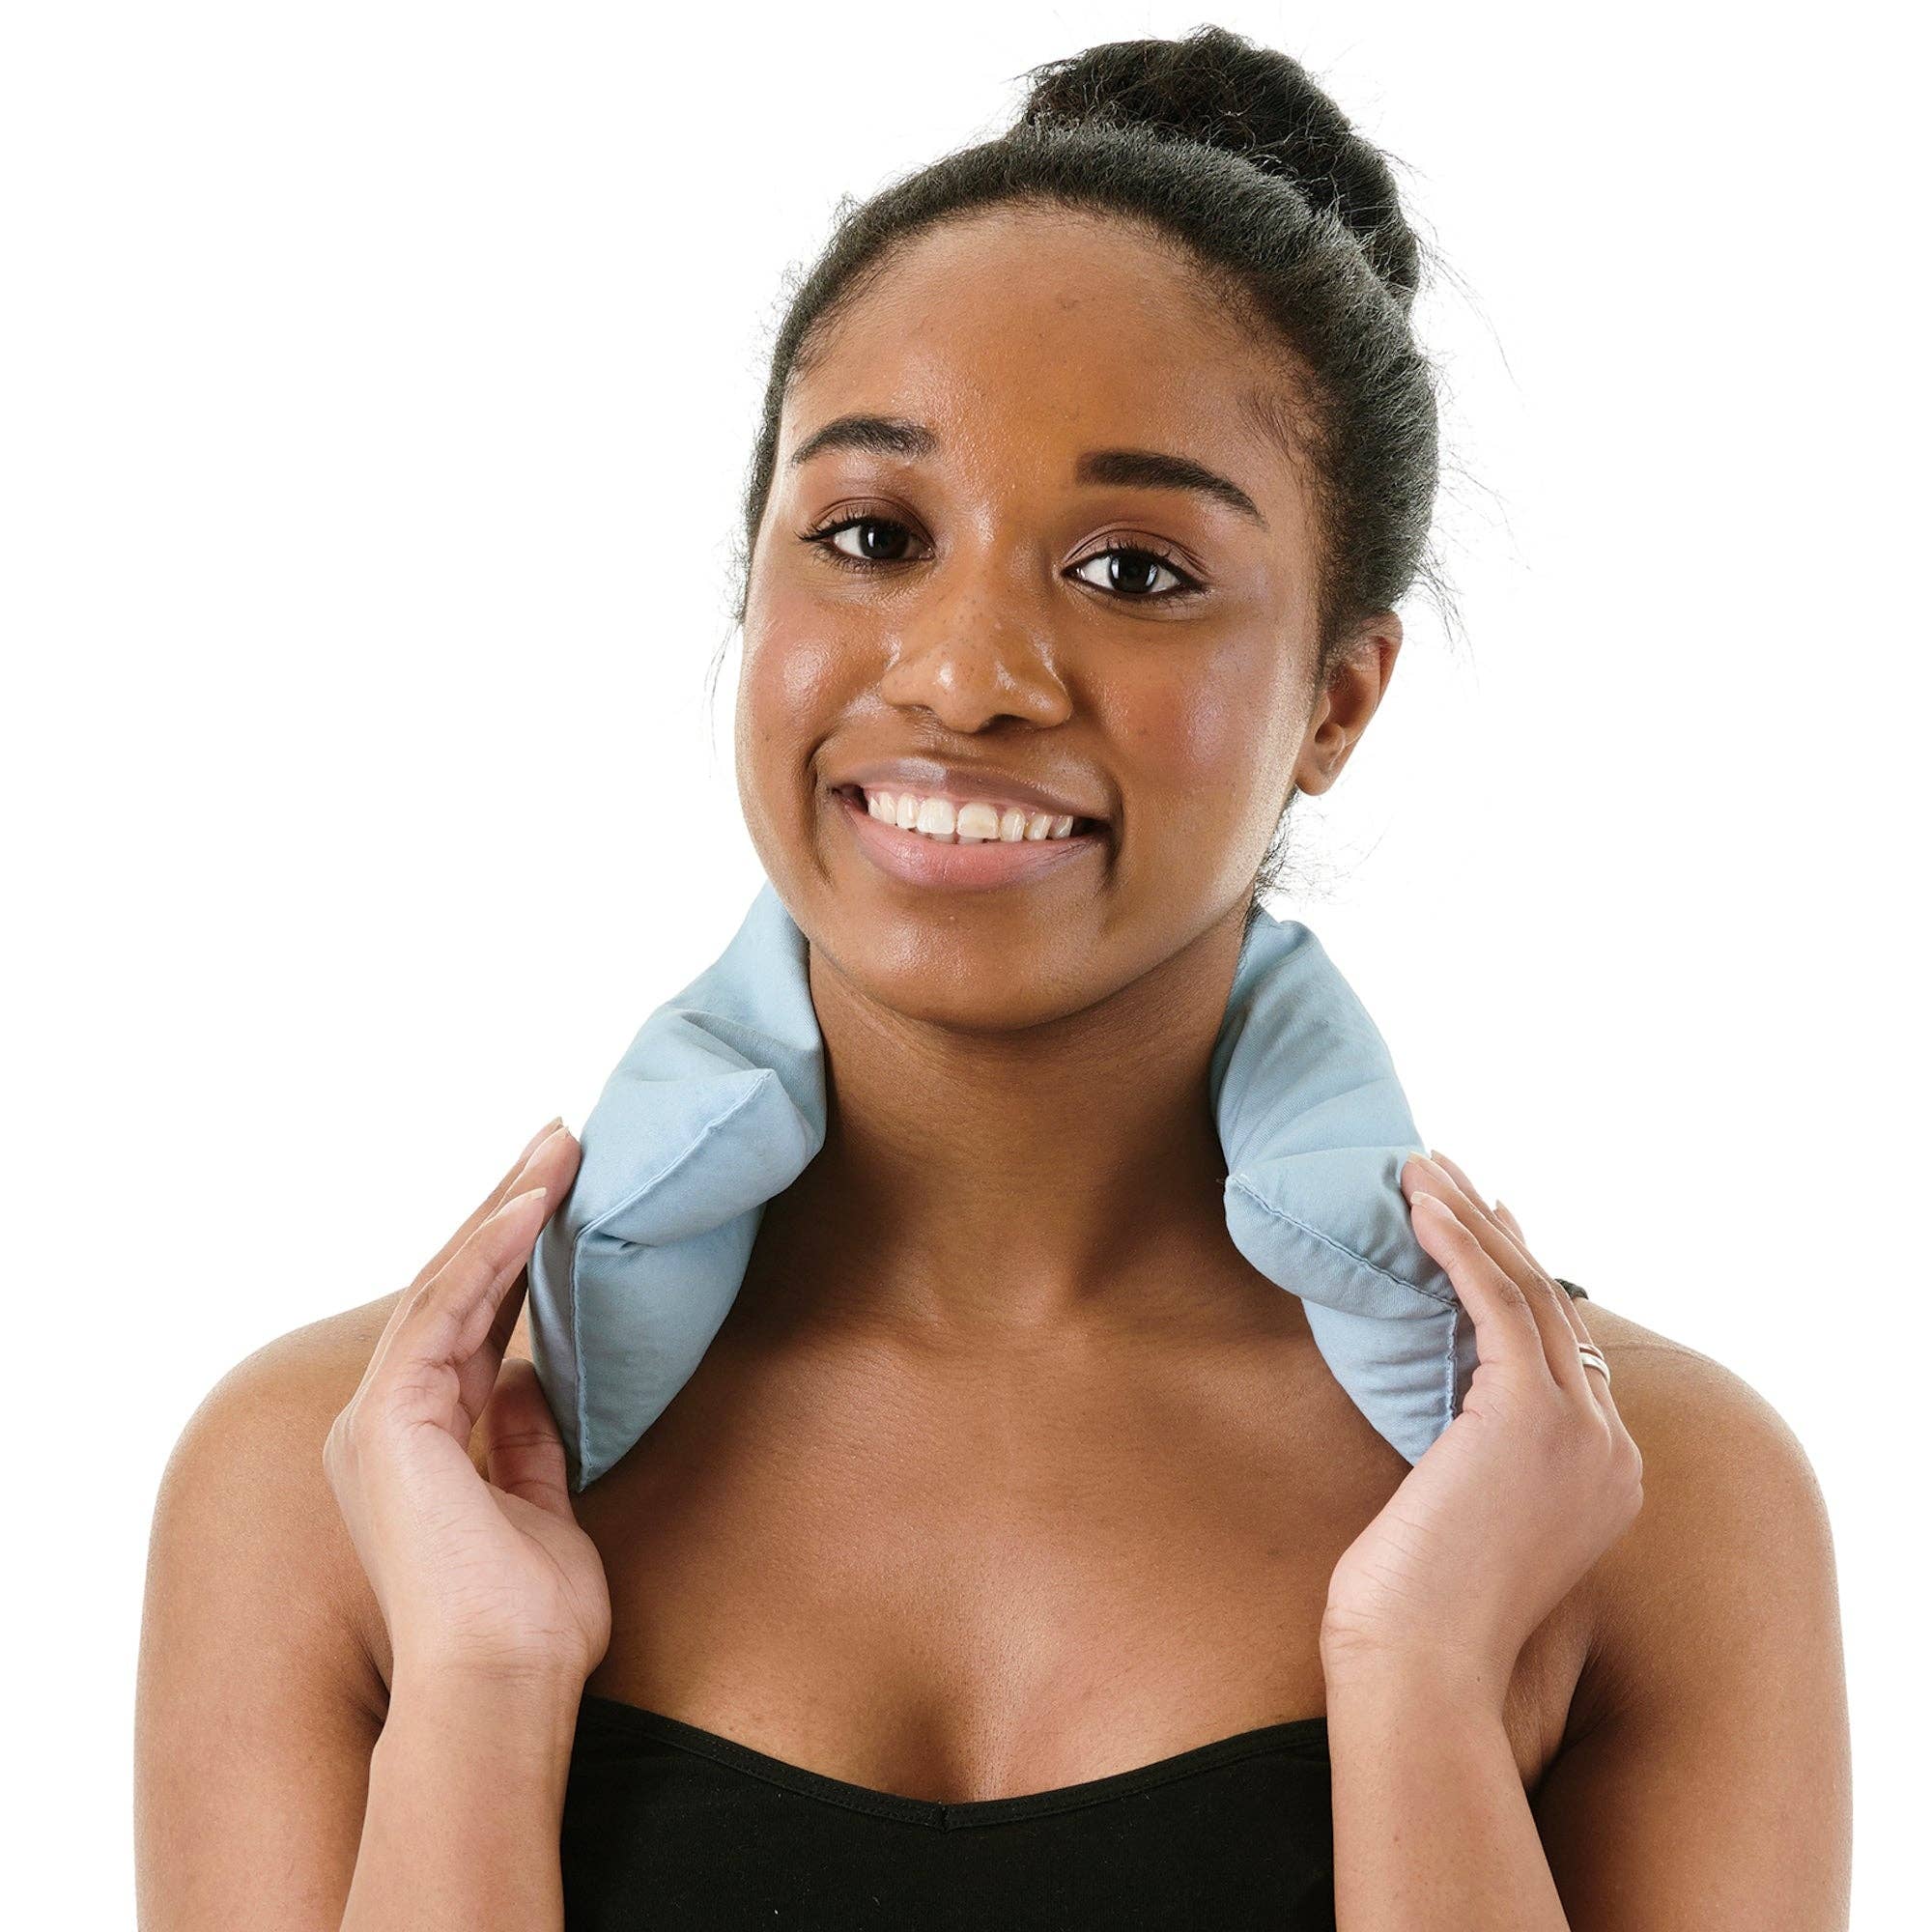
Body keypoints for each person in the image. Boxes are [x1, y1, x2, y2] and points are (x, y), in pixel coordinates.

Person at [133, 25, 1852, 1930]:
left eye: (1135, 571)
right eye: (872, 536)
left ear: (1335, 702)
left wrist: (1428, 1681)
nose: (963, 675)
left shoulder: (1645, 1503)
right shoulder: (339, 1485)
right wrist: (475, 1685)